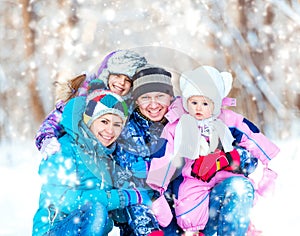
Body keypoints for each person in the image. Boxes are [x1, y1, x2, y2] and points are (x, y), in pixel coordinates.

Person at [146, 65, 280, 235]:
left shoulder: (228, 120)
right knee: (189, 212)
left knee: (240, 188)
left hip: (225, 180)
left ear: (215, 103)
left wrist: (270, 167)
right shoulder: (177, 126)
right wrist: (158, 190)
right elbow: (164, 157)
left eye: (205, 103)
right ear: (186, 101)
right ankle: (194, 230)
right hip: (194, 181)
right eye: (194, 102)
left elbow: (253, 137)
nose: (198, 108)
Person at [32, 90, 153, 236]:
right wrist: (121, 197)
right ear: (90, 121)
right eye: (104, 121)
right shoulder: (64, 148)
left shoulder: (107, 159)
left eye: (117, 124)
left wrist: (140, 191)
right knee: (95, 210)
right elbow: (62, 199)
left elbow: (115, 214)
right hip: (54, 230)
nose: (110, 130)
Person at [35, 49, 147, 159]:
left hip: (105, 167)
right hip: (77, 156)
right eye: (117, 76)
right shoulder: (85, 98)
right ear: (107, 74)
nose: (122, 82)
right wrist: (47, 138)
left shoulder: (130, 108)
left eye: (128, 80)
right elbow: (56, 120)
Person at [113, 64, 185, 235]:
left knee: (236, 186)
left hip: (185, 208)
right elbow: (129, 178)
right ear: (136, 101)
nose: (153, 104)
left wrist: (227, 160)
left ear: (170, 97)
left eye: (160, 96)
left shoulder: (189, 118)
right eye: (145, 97)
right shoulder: (127, 129)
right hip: (147, 214)